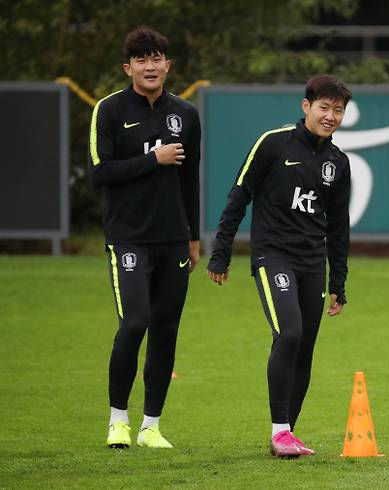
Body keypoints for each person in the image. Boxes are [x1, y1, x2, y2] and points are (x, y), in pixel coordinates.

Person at [207, 74, 352, 458]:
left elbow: (338, 227)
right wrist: (221, 251)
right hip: (273, 257)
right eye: (324, 107)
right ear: (306, 107)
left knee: (304, 347)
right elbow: (239, 195)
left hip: (311, 264)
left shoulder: (338, 163)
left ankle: (288, 434)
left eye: (338, 110)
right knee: (288, 333)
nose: (330, 116)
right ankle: (280, 430)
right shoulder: (272, 144)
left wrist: (338, 280)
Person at [88, 26, 201, 449]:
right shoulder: (110, 110)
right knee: (135, 322)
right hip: (128, 237)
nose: (150, 66)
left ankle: (151, 426)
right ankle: (118, 420)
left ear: (168, 65)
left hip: (173, 238)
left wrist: (192, 236)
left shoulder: (185, 114)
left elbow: (191, 179)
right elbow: (101, 173)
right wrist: (152, 159)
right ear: (128, 67)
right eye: (141, 60)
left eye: (157, 59)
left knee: (166, 329)